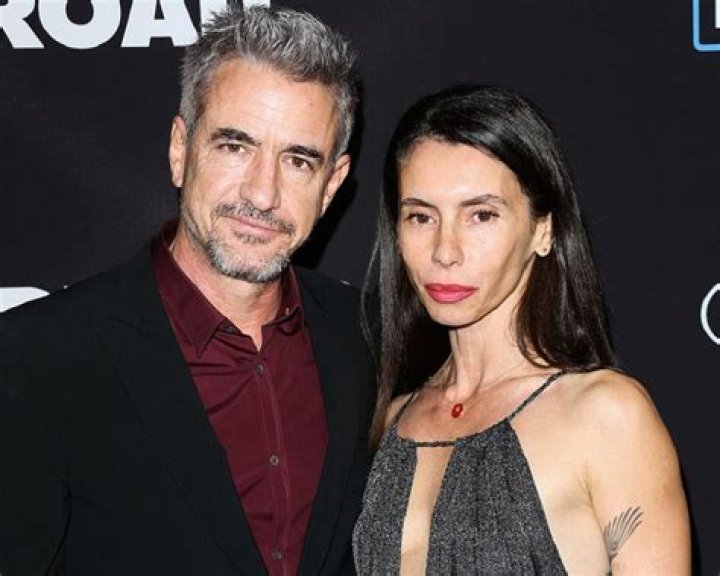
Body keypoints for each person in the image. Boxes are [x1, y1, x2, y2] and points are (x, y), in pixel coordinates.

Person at [0, 6, 374, 575]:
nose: (262, 194)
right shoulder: (39, 355)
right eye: (235, 146)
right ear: (181, 149)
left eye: (298, 160)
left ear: (332, 184)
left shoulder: (366, 336)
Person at [353, 85, 690, 574]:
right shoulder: (391, 420)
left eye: (481, 215)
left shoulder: (607, 417)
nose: (445, 251)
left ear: (543, 229)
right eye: (421, 217)